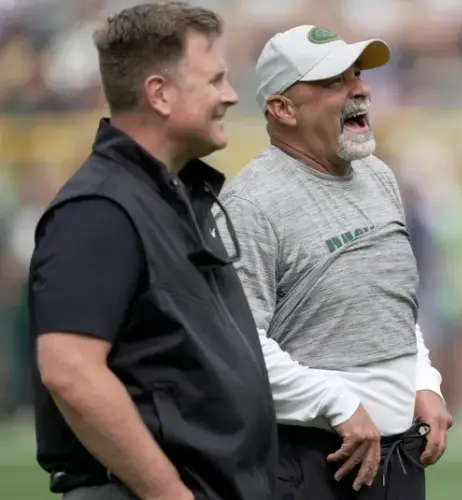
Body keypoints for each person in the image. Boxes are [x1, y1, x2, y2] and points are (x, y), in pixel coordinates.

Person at [28, 4, 277, 500]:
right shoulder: (99, 209)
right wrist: (169, 493)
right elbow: (70, 369)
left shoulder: (170, 198)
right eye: (215, 80)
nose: (230, 96)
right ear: (159, 94)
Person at [213, 25, 453, 500]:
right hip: (308, 460)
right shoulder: (250, 203)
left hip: (398, 456)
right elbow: (235, 339)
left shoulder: (378, 176)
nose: (360, 89)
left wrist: (423, 381)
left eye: (358, 75)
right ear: (283, 108)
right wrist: (335, 404)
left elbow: (388, 305)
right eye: (333, 82)